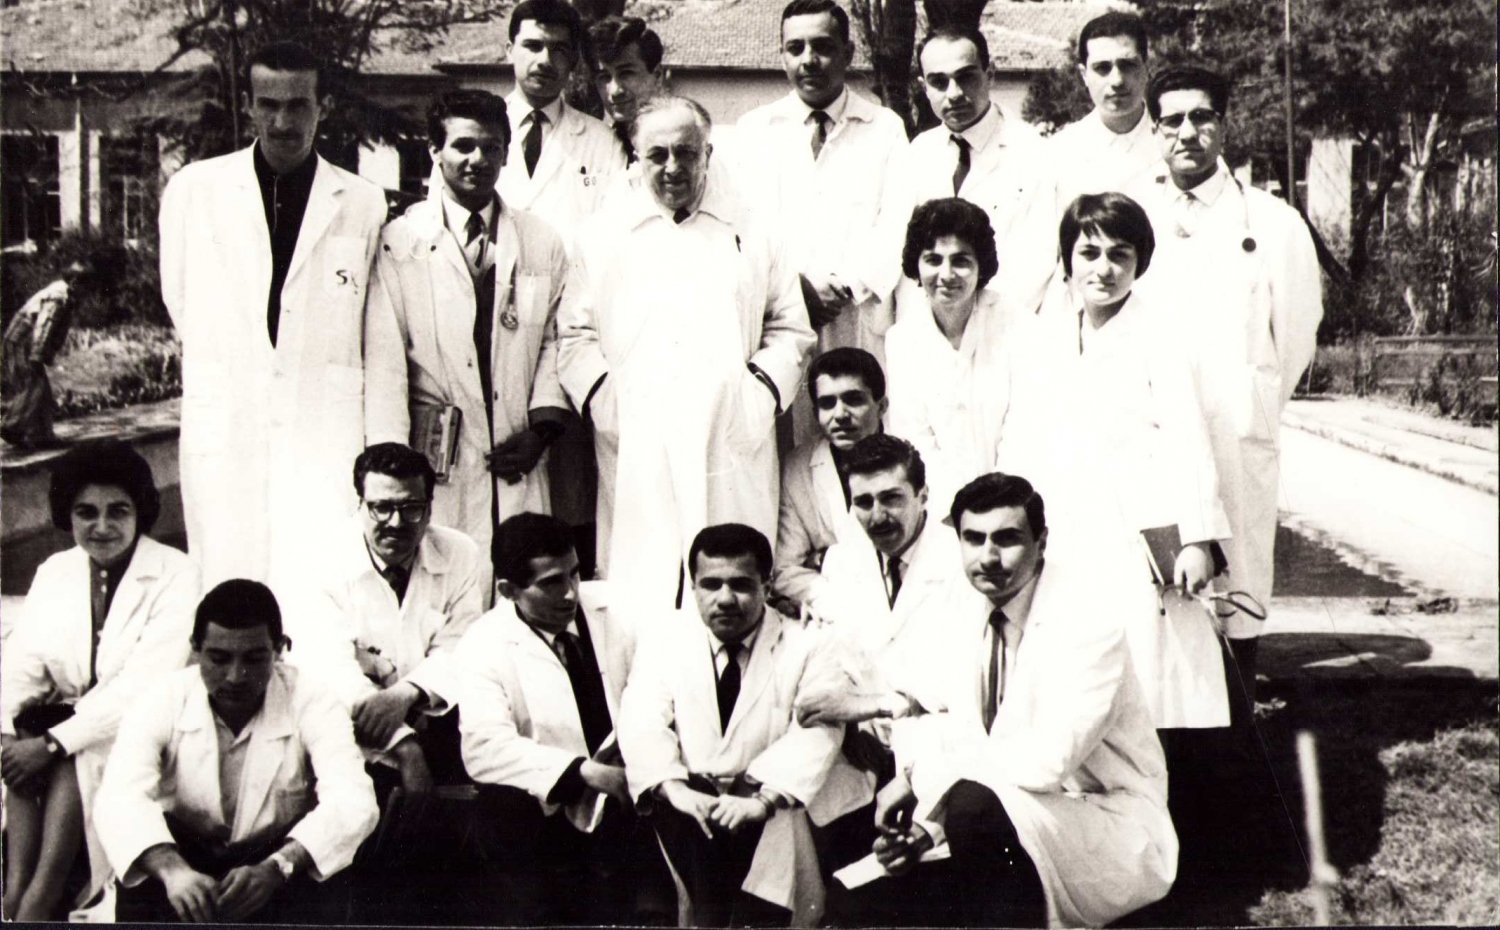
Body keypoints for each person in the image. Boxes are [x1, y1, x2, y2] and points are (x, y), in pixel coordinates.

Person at [831, 473, 1176, 928]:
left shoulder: (1086, 621)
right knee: (857, 901)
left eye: (1007, 538)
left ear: (1042, 541)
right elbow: (944, 716)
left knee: (973, 808)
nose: (988, 557)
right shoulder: (965, 608)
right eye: (973, 539)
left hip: (1106, 820)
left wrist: (920, 787)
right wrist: (924, 817)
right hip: (1005, 814)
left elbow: (1048, 761)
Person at [557, 96, 815, 605]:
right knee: (642, 585)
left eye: (687, 153)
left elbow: (790, 328)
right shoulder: (602, 236)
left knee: (729, 580)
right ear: (636, 158)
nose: (673, 167)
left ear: (708, 154)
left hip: (730, 431)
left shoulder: (753, 231)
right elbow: (574, 337)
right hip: (636, 435)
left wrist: (755, 398)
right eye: (657, 155)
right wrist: (610, 407)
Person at [159, 40, 388, 595]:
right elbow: (180, 299)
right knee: (227, 576)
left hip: (322, 426)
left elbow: (372, 327)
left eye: (298, 105)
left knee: (318, 581)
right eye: (269, 104)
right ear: (248, 105)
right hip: (229, 418)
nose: (283, 122)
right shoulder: (195, 191)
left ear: (322, 107)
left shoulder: (362, 202)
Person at [1001, 192, 1234, 731]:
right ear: (1067, 260)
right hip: (1068, 525)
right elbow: (1026, 433)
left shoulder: (1160, 335)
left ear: (1139, 262)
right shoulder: (1046, 336)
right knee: (1074, 680)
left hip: (1139, 525)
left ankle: (1157, 779)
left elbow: (1189, 440)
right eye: (1089, 253)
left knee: (1148, 676)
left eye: (1119, 254)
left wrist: (1197, 540)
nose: (1103, 269)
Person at [1131, 66, 1323, 704]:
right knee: (1158, 579)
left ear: (1223, 125)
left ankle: (1240, 721)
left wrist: (1255, 403)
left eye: (1201, 117)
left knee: (1239, 578)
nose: (1187, 133)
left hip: (1237, 432)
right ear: (1154, 130)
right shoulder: (1132, 214)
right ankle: (1166, 729)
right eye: (1172, 121)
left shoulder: (1272, 222)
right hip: (1154, 433)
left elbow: (1295, 332)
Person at [618, 524, 870, 927]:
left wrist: (762, 801)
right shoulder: (665, 639)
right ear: (693, 586)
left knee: (767, 899)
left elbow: (818, 731)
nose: (725, 599)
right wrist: (675, 789)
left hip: (775, 804)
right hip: (690, 806)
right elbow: (642, 719)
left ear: (766, 585)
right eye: (710, 585)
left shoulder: (809, 642)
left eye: (740, 584)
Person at [365, 89, 572, 579]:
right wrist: (395, 465)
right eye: (462, 146)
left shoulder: (540, 240)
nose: (478, 159)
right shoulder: (400, 243)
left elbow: (556, 338)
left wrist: (540, 433)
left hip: (518, 449)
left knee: (520, 581)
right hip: (437, 455)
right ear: (434, 152)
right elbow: (386, 361)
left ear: (505, 153)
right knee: (447, 579)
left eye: (491, 147)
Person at [94, 580, 379, 923]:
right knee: (142, 869)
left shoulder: (314, 701)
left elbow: (353, 800)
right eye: (219, 658)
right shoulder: (161, 698)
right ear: (195, 650)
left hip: (274, 862)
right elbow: (119, 796)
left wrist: (279, 866)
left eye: (254, 659)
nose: (235, 676)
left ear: (280, 649)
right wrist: (172, 871)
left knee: (326, 868)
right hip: (183, 859)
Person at [1, 439, 201, 919]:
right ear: (67, 514)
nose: (102, 526)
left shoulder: (176, 572)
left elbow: (143, 686)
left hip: (140, 724)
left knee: (74, 749)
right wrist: (8, 732)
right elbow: (21, 663)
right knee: (24, 730)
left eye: (118, 511)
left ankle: (40, 897)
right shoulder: (56, 570)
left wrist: (53, 743)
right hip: (69, 722)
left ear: (141, 511)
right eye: (86, 512)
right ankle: (14, 890)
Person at [457, 512, 671, 925]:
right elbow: (483, 748)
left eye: (574, 573)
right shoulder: (482, 644)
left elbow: (662, 684)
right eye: (552, 582)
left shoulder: (620, 607)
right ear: (508, 590)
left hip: (635, 792)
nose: (572, 592)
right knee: (502, 817)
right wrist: (584, 772)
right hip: (546, 812)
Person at [734, 0, 908, 446]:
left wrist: (845, 286)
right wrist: (798, 292)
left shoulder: (884, 127)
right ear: (782, 55)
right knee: (787, 445)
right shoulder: (753, 131)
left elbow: (898, 223)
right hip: (779, 318)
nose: (808, 60)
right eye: (795, 48)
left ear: (848, 53)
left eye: (823, 47)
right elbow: (740, 231)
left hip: (856, 315)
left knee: (860, 440)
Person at [500, 0, 627, 574]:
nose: (544, 60)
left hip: (569, 337)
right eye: (532, 45)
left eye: (558, 49)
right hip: (494, 340)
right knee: (502, 492)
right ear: (509, 50)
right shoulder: (478, 132)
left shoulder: (598, 142)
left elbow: (605, 251)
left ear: (574, 61)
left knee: (571, 496)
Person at [290, 443, 483, 794]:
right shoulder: (318, 559)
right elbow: (330, 667)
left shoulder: (460, 553)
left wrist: (406, 694)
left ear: (429, 509)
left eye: (411, 509)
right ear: (360, 506)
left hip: (434, 716)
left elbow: (462, 646)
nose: (396, 523)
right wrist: (404, 745)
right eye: (381, 508)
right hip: (347, 727)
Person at [882, 26, 1054, 317]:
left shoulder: (1032, 152)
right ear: (924, 87)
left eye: (966, 77)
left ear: (990, 74)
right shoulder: (917, 152)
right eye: (939, 82)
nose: (954, 94)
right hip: (924, 322)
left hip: (1000, 323)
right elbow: (899, 247)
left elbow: (1038, 259)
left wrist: (977, 321)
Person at [883, 198, 1015, 512]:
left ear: (981, 265)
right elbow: (915, 441)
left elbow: (1025, 434)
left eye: (961, 260)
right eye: (933, 259)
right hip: (942, 511)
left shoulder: (1019, 328)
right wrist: (957, 512)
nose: (946, 274)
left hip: (1015, 505)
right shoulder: (902, 341)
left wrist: (998, 509)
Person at [771, 348, 886, 614]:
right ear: (815, 413)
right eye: (827, 403)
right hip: (833, 612)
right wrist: (840, 600)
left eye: (853, 400)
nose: (840, 414)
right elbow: (786, 569)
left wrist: (826, 562)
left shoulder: (912, 458)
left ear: (882, 406)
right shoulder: (797, 468)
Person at [1, 250, 124, 448]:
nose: (89, 293)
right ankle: (12, 425)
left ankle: (42, 435)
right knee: (35, 387)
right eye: (87, 288)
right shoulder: (59, 297)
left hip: (25, 344)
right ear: (75, 283)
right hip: (20, 343)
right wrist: (38, 354)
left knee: (42, 391)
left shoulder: (66, 296)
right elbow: (45, 324)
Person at [1045, 12, 1162, 217]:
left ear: (1147, 68)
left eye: (1127, 65)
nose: (1117, 80)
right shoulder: (1059, 153)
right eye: (1102, 68)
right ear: (1084, 75)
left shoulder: (1177, 143)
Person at [588, 15, 666, 165]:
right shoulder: (595, 145)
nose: (615, 91)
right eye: (604, 76)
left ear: (657, 75)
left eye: (626, 73)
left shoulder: (684, 141)